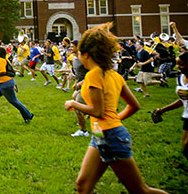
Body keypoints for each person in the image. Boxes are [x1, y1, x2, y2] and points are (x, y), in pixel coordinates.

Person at [64, 24, 168, 194]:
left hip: (111, 137)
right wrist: (115, 119)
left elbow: (97, 111)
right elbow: (135, 106)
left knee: (141, 190)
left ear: (87, 55)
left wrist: (73, 103)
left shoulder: (93, 76)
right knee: (83, 185)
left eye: (79, 53)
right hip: (101, 135)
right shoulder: (114, 75)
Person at [153, 51, 188, 160]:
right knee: (185, 149)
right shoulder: (180, 78)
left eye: (182, 64)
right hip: (186, 117)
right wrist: (163, 110)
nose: (178, 67)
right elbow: (182, 100)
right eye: (177, 64)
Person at [0, 47, 34, 124]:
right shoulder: (3, 59)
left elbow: (3, 72)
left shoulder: (0, 60)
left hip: (5, 83)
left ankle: (28, 115)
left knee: (13, 101)